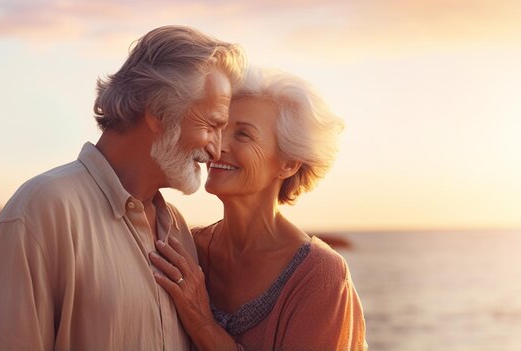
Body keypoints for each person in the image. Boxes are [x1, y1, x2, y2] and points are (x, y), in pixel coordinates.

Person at [0, 25, 246, 351]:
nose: (215, 150)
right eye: (212, 125)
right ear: (158, 112)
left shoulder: (177, 230)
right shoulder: (40, 211)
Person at [149, 67, 367, 350]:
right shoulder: (188, 248)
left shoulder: (319, 275)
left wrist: (203, 323)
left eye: (243, 135)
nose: (217, 146)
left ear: (288, 163)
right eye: (219, 128)